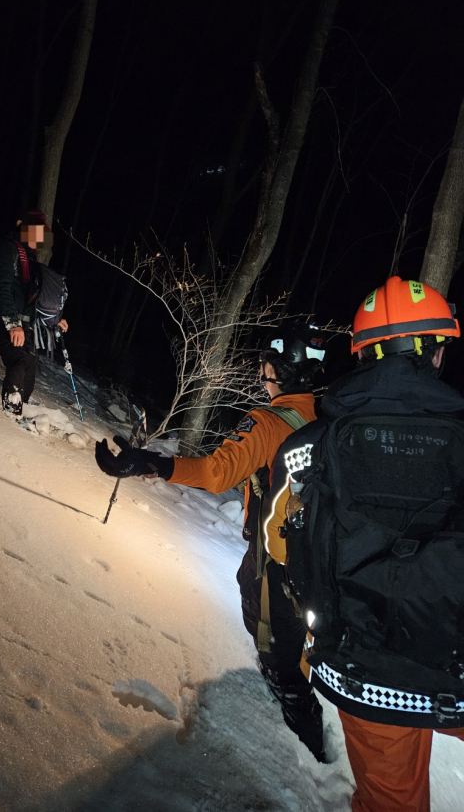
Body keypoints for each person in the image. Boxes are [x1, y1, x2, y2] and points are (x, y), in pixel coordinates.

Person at [265, 277, 464, 811]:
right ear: (438, 352)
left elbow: (279, 545)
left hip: (366, 674)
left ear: (362, 353)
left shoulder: (309, 445)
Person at [95, 322, 328, 760]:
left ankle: (308, 760)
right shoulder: (327, 419)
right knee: (290, 640)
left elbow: (216, 472)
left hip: (273, 566)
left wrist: (151, 463)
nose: (262, 376)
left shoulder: (268, 423)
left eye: (267, 367)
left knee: (278, 658)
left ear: (283, 371)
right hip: (313, 563)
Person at [0, 210, 68, 416]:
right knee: (19, 361)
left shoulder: (30, 262)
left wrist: (55, 321)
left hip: (25, 326)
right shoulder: (5, 249)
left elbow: (33, 300)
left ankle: (21, 410)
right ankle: (11, 415)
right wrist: (12, 323)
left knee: (29, 373)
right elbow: (1, 287)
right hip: (5, 320)